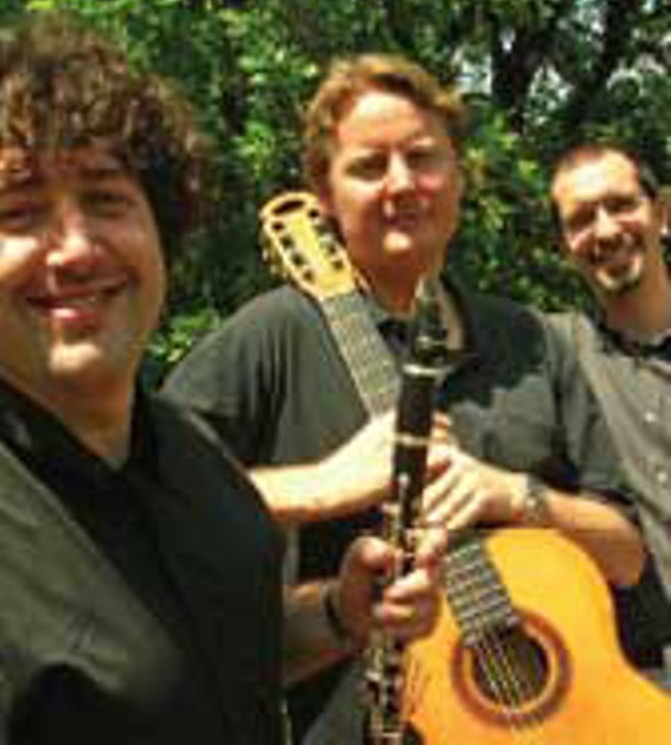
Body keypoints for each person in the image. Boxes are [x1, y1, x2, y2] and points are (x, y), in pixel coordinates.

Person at [0, 16, 446, 744]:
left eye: (106, 200)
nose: (76, 249)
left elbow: (208, 664)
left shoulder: (198, 458)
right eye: (19, 214)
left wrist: (339, 613)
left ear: (159, 231)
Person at [162, 54, 647, 742]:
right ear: (323, 195)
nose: (402, 183)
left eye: (422, 157)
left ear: (459, 175)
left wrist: (514, 495)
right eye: (369, 166)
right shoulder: (274, 335)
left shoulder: (533, 341)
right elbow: (146, 491)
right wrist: (320, 486)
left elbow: (627, 556)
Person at [549, 142, 671, 685]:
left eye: (621, 205)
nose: (604, 230)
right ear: (565, 246)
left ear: (662, 213)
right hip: (632, 683)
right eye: (580, 219)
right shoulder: (554, 355)